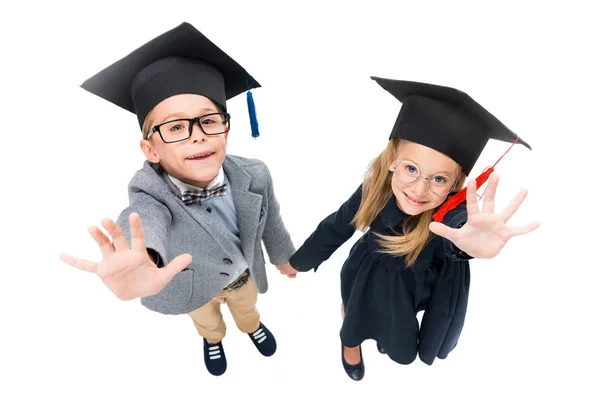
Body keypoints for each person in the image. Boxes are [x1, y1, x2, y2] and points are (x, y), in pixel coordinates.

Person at [60, 22, 295, 376]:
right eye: (175, 127)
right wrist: (146, 255)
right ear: (150, 149)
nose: (197, 136)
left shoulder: (255, 173)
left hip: (244, 274)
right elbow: (142, 219)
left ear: (226, 128)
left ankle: (250, 327)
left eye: (208, 121)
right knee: (207, 321)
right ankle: (213, 340)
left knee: (247, 309)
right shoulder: (149, 193)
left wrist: (283, 257)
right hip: (194, 285)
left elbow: (271, 221)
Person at [276, 77, 540, 381]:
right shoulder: (375, 190)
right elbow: (337, 226)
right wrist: (298, 261)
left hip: (410, 290)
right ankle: (349, 342)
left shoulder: (451, 214)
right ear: (392, 161)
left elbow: (457, 231)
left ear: (456, 184)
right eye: (411, 169)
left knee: (396, 332)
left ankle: (384, 337)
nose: (419, 189)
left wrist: (467, 245)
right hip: (366, 274)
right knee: (355, 314)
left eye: (439, 179)